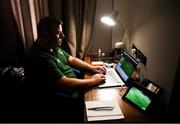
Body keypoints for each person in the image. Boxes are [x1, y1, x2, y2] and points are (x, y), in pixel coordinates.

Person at [23, 16, 106, 122]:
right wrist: (93, 80)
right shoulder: (40, 57)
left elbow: (71, 59)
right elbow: (65, 83)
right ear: (45, 34)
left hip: (75, 86)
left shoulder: (52, 46)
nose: (63, 36)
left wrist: (92, 67)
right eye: (58, 33)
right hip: (66, 97)